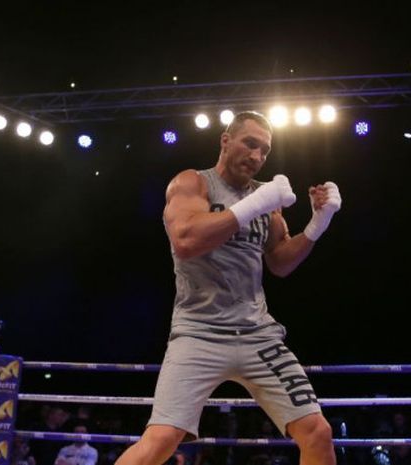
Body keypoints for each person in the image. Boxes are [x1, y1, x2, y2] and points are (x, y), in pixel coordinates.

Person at [114, 111, 342, 465]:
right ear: (225, 140)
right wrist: (257, 204)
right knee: (160, 440)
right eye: (250, 144)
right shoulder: (193, 183)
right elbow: (186, 240)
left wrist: (318, 223)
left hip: (258, 335)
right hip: (197, 333)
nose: (256, 156)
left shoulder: (267, 199)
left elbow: (280, 263)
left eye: (264, 151)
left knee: (318, 433)